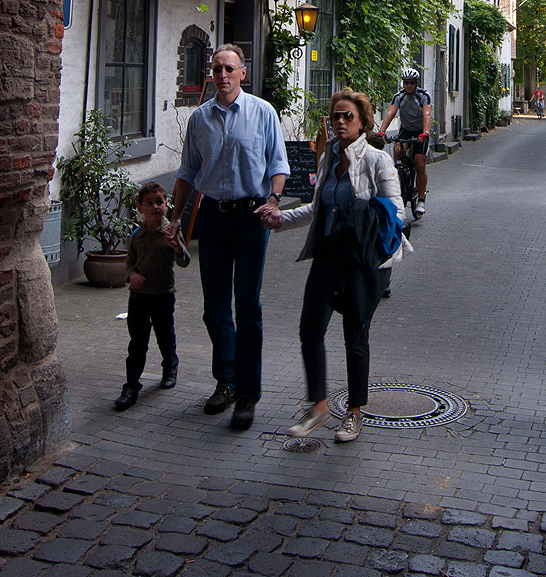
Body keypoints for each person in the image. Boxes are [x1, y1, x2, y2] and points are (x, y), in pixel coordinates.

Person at [270, 90, 408, 443]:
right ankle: (318, 406)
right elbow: (317, 209)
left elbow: (396, 212)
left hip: (363, 261)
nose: (341, 122)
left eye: (348, 116)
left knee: (354, 337)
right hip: (329, 254)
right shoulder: (327, 157)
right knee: (309, 329)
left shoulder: (377, 160)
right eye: (336, 116)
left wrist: (361, 222)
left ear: (362, 122)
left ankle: (354, 412)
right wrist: (280, 220)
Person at [165, 43, 289, 432]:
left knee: (247, 306)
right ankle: (227, 380)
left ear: (242, 73)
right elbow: (187, 172)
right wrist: (175, 219)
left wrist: (273, 199)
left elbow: (278, 163)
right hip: (213, 220)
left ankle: (248, 394)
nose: (222, 75)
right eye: (216, 68)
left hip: (251, 217)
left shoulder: (263, 112)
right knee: (215, 306)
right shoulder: (199, 119)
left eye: (229, 69)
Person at [114, 181, 190, 412]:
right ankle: (131, 386)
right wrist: (132, 275)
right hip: (139, 296)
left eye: (160, 202)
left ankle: (170, 366)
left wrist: (176, 246)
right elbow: (128, 263)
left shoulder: (170, 232)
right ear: (140, 208)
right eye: (150, 203)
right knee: (137, 342)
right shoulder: (137, 236)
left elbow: (184, 261)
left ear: (167, 205)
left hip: (163, 294)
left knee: (165, 335)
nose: (156, 207)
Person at [377, 68, 431, 218]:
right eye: (406, 83)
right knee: (397, 149)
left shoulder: (423, 96)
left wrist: (425, 132)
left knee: (420, 162)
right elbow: (390, 113)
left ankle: (421, 199)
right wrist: (382, 131)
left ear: (416, 83)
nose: (409, 86)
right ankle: (400, 179)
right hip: (406, 130)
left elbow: (427, 114)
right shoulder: (399, 96)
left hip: (420, 131)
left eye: (411, 83)